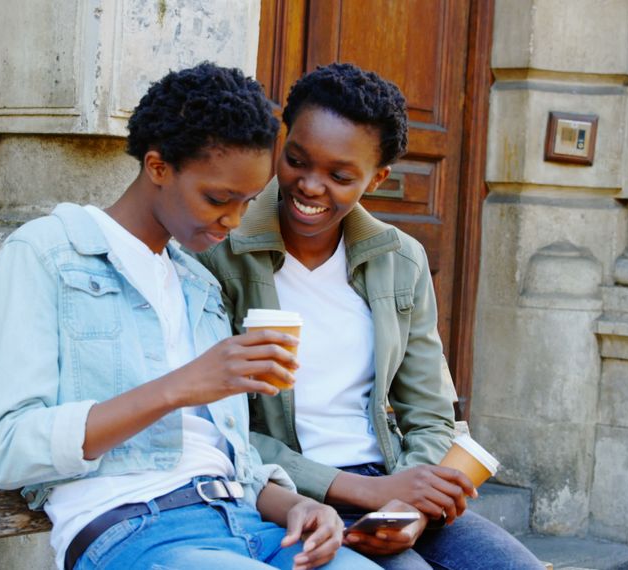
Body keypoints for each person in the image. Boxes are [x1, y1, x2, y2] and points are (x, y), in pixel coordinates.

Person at [0, 62, 380, 570]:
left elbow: (229, 459)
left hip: (248, 524)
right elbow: (8, 449)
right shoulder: (48, 254)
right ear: (158, 166)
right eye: (218, 198)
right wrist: (183, 385)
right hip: (133, 532)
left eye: (248, 202)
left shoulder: (199, 285)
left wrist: (301, 504)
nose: (233, 221)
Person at [196, 62, 543, 570]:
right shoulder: (220, 250)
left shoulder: (400, 260)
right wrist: (365, 491)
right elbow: (219, 428)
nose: (310, 187)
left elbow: (429, 413)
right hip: (289, 491)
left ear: (377, 177)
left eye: (339, 176)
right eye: (296, 160)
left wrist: (411, 505)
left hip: (394, 481)